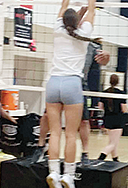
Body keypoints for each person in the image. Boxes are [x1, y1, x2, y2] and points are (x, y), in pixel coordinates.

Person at [45, 0, 100, 188]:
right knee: (71, 134)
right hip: (72, 84)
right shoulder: (84, 31)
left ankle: (53, 173)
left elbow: (63, 7)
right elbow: (93, 9)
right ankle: (68, 175)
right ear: (78, 21)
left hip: (53, 83)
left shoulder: (58, 29)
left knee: (55, 132)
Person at [38, 37, 110, 165]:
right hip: (59, 81)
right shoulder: (64, 38)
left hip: (79, 85)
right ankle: (40, 147)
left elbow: (102, 63)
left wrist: (106, 57)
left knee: (83, 121)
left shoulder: (92, 47)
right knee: (47, 117)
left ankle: (84, 153)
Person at [97, 74, 128, 161]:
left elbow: (100, 107)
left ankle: (115, 159)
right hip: (117, 119)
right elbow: (124, 109)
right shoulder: (121, 93)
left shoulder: (104, 93)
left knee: (112, 142)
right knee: (113, 143)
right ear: (118, 82)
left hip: (107, 119)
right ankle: (101, 157)